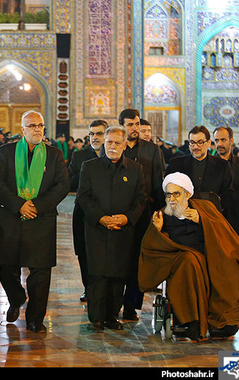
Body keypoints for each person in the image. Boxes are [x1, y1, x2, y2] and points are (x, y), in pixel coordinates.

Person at [139, 172, 239, 340]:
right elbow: (151, 246)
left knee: (226, 266)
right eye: (168, 194)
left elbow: (226, 236)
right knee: (189, 261)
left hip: (210, 256)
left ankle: (223, 320)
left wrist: (203, 221)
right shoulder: (162, 215)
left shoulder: (205, 208)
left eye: (176, 194)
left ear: (187, 194)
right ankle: (192, 320)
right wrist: (157, 230)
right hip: (180, 260)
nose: (172, 199)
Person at [0, 110, 70, 333]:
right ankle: (16, 299)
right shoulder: (7, 151)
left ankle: (35, 318)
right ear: (22, 130)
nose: (37, 129)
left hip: (40, 220)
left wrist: (37, 205)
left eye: (40, 125)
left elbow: (62, 185)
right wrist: (18, 204)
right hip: (11, 219)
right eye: (32, 125)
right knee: (7, 269)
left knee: (41, 273)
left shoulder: (53, 155)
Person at [77, 126, 146, 331]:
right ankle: (96, 319)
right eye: (109, 142)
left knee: (118, 274)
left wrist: (127, 218)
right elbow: (83, 197)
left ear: (125, 145)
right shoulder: (89, 167)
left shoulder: (136, 169)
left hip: (123, 231)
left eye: (117, 143)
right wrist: (101, 218)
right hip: (96, 229)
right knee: (98, 274)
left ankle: (111, 316)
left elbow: (141, 199)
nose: (112, 146)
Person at [116, 108, 165, 321]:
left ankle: (131, 306)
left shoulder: (152, 151)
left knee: (138, 260)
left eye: (136, 124)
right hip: (118, 215)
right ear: (121, 127)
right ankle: (114, 303)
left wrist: (158, 211)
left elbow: (158, 183)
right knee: (118, 261)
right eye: (130, 125)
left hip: (143, 214)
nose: (134, 129)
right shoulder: (115, 147)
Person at [68, 119, 107, 302]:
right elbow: (69, 181)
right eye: (91, 134)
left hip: (107, 212)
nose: (94, 137)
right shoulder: (79, 157)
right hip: (83, 212)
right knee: (83, 252)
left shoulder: (115, 154)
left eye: (99, 133)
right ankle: (88, 288)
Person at [165, 125, 233, 219]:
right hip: (182, 221)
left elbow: (227, 195)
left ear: (209, 143)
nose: (195, 147)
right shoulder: (176, 164)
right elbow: (167, 192)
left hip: (211, 219)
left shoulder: (222, 166)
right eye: (192, 142)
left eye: (200, 142)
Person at [212, 126, 239, 241]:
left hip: (236, 219)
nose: (219, 144)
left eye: (223, 140)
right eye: (216, 140)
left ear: (231, 141)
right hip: (214, 221)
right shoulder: (209, 164)